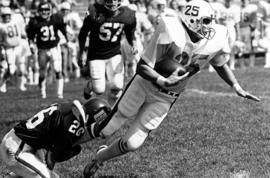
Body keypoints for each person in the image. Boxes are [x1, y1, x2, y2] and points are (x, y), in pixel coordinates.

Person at [82, 0, 261, 177]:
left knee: (132, 144)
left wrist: (236, 86)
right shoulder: (171, 30)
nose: (211, 26)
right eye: (206, 21)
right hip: (145, 85)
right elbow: (142, 67)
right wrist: (162, 80)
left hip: (167, 97)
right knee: (107, 129)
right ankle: (63, 139)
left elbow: (219, 63)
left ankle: (99, 158)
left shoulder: (214, 39)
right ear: (192, 20)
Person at [0, 98, 111, 178]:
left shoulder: (67, 108)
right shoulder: (75, 121)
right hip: (16, 149)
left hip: (19, 144)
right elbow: (50, 157)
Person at [78, 0, 137, 106]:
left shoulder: (127, 15)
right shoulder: (95, 12)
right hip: (96, 56)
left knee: (117, 86)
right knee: (99, 90)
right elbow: (83, 34)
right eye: (109, 0)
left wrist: (134, 44)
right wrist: (81, 52)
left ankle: (111, 111)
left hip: (114, 54)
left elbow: (130, 33)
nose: (113, 3)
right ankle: (90, 85)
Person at [26, 2, 68, 99]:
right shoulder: (34, 22)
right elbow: (30, 37)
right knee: (42, 73)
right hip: (42, 49)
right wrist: (31, 45)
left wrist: (67, 37)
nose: (44, 12)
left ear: (50, 11)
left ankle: (59, 94)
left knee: (58, 70)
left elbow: (63, 30)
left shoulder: (56, 18)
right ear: (38, 11)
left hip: (54, 48)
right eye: (42, 10)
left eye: (46, 10)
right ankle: (42, 92)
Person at [0, 6, 29, 93]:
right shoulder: (1, 25)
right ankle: (2, 84)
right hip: (8, 48)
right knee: (11, 69)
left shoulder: (16, 20)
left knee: (21, 67)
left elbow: (22, 30)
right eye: (5, 16)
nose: (7, 17)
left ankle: (21, 86)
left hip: (18, 47)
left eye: (8, 15)